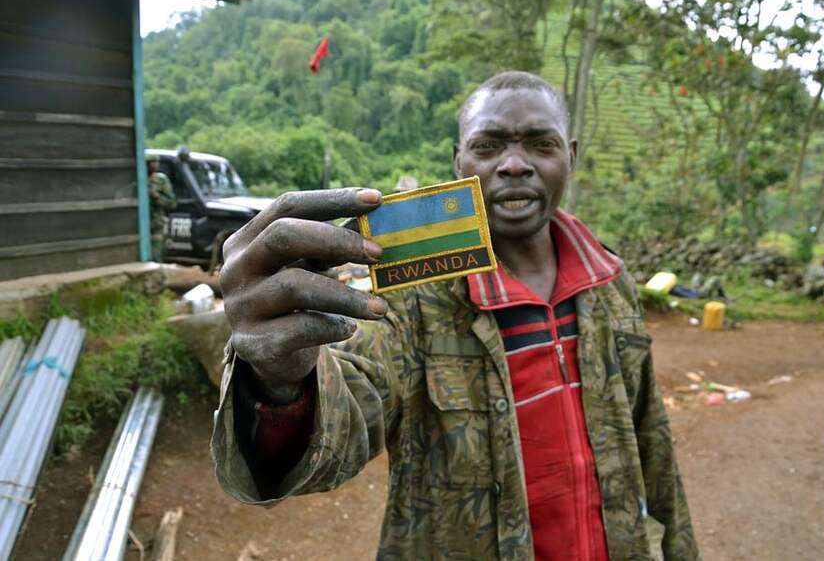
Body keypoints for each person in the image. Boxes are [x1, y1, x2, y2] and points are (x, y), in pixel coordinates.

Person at [212, 72, 699, 560]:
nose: (514, 165)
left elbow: (653, 450)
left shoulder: (611, 284)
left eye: (540, 144)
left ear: (571, 155)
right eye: (488, 146)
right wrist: (281, 381)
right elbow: (350, 412)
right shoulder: (411, 302)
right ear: (458, 162)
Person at [146, 153, 176, 262]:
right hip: (138, 226)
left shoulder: (161, 180)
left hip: (156, 225)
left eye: (155, 162)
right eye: (150, 163)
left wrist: (157, 197)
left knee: (156, 256)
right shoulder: (138, 180)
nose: (154, 165)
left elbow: (172, 203)